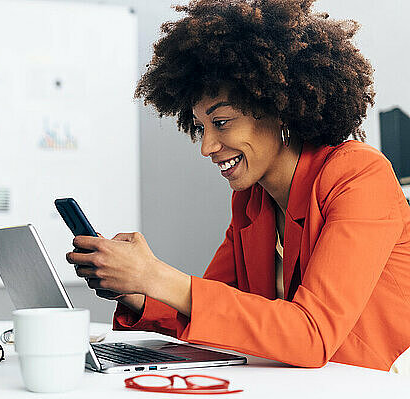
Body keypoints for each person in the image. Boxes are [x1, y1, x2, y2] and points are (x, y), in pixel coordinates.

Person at [65, 0, 410, 373]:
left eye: (223, 122)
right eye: (200, 127)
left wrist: (156, 275)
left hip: (373, 385)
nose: (206, 146)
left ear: (280, 111)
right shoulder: (251, 202)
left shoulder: (359, 174)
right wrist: (138, 291)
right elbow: (214, 314)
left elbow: (313, 336)